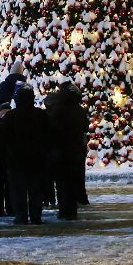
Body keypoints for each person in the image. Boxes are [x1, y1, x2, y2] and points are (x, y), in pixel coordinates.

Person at [0, 86, 53, 224]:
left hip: (16, 159)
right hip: (37, 158)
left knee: (18, 190)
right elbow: (50, 136)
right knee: (36, 190)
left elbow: (1, 138)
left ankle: (21, 216)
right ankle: (36, 216)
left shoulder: (11, 117)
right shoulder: (41, 115)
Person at [47, 82, 90, 220]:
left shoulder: (58, 109)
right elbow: (86, 127)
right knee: (73, 181)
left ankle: (64, 210)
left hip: (60, 150)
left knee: (62, 183)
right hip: (76, 150)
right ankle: (72, 210)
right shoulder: (80, 110)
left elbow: (51, 127)